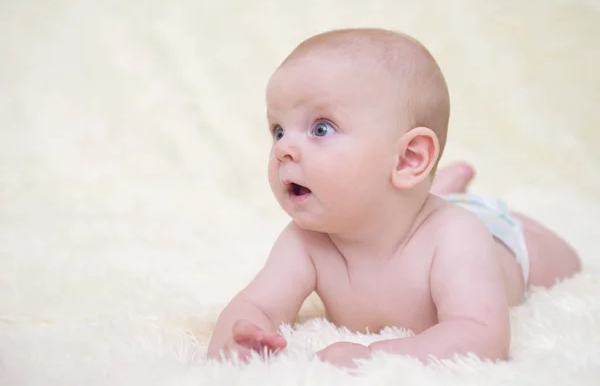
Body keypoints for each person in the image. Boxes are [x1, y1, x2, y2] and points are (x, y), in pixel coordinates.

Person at [206, 28, 582, 368]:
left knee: (567, 262)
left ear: (408, 158)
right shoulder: (305, 241)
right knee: (410, 201)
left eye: (321, 128)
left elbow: (483, 336)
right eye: (278, 130)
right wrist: (236, 343)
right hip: (411, 200)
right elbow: (256, 304)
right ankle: (443, 187)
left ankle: (451, 193)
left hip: (498, 233)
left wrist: (375, 355)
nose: (284, 148)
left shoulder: (456, 236)